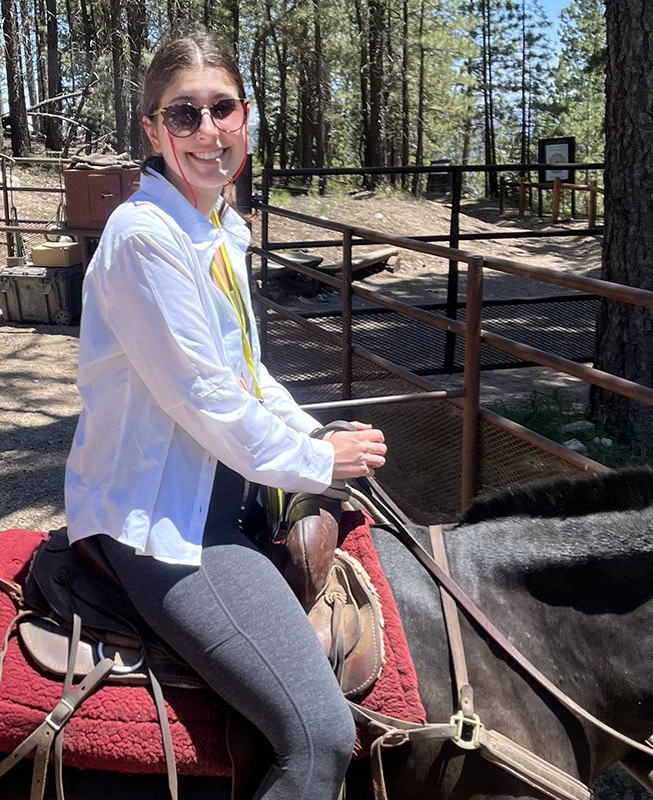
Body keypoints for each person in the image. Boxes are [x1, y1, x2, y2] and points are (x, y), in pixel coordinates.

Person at [64, 30, 388, 800]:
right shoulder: (146, 238)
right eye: (183, 115)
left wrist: (314, 434)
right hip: (173, 526)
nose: (207, 131)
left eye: (222, 109)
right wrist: (316, 465)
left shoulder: (216, 228)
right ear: (152, 129)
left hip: (227, 500)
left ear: (247, 117)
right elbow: (202, 398)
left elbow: (243, 374)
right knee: (319, 737)